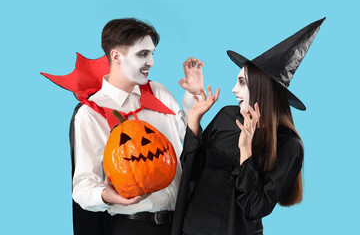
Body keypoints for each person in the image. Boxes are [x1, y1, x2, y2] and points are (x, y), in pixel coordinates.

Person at [171, 18, 325, 235]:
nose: (234, 89)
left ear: (263, 89)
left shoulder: (289, 145)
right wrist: (194, 121)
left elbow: (255, 207)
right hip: (191, 227)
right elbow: (190, 172)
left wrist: (246, 152)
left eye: (242, 82)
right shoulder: (227, 115)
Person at [70, 18, 204, 235]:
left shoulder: (158, 92)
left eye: (152, 54)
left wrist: (193, 97)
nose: (151, 62)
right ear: (116, 56)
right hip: (135, 226)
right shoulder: (91, 113)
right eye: (142, 54)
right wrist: (108, 196)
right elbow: (83, 186)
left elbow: (188, 140)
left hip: (184, 222)